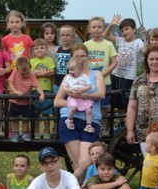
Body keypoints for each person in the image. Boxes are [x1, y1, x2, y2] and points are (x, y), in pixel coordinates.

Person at [54, 44, 107, 181]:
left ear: (87, 57)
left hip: (90, 120)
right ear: (72, 57)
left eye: (83, 56)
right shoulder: (68, 77)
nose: (81, 59)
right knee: (78, 164)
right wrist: (74, 104)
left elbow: (101, 94)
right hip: (69, 119)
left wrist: (84, 97)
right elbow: (57, 101)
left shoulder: (96, 74)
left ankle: (64, 188)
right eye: (77, 56)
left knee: (85, 164)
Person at [126, 44, 158, 154]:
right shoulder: (138, 81)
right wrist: (130, 130)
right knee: (150, 162)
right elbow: (132, 107)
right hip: (144, 131)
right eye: (151, 59)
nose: (154, 62)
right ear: (147, 61)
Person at [105, 15, 144, 111]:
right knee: (116, 101)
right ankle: (121, 119)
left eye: (127, 29)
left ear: (134, 29)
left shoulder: (138, 42)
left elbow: (146, 51)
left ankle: (128, 119)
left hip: (129, 77)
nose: (124, 32)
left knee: (127, 101)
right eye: (122, 31)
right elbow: (106, 35)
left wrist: (143, 37)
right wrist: (111, 25)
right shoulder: (121, 41)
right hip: (117, 74)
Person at [84, 16, 118, 112]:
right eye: (94, 27)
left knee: (104, 107)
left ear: (103, 29)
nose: (96, 29)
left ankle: (103, 122)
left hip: (104, 80)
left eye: (99, 27)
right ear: (89, 29)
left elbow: (115, 62)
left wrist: (103, 74)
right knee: (88, 106)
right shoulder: (86, 44)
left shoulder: (109, 44)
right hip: (88, 81)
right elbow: (82, 61)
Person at [7, 57, 45, 142]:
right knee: (14, 119)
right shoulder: (15, 73)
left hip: (26, 102)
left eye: (27, 73)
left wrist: (42, 94)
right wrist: (15, 91)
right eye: (22, 74)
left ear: (30, 68)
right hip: (15, 101)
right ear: (17, 69)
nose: (25, 76)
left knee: (26, 119)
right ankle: (15, 133)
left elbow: (37, 86)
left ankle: (25, 133)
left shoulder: (31, 75)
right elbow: (10, 82)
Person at [29, 38, 56, 139]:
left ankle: (47, 132)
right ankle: (36, 131)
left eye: (42, 47)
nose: (39, 50)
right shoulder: (32, 61)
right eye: (36, 48)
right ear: (33, 50)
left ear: (46, 49)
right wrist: (45, 73)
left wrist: (38, 73)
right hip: (35, 90)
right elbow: (31, 74)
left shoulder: (49, 60)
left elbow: (52, 72)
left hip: (47, 90)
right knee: (36, 113)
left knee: (46, 113)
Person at [62, 56, 94, 134]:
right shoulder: (68, 78)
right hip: (73, 97)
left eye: (72, 70)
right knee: (73, 108)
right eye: (69, 69)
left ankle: (89, 125)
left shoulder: (84, 77)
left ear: (80, 69)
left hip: (83, 97)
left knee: (89, 110)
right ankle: (69, 120)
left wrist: (83, 89)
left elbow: (89, 86)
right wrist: (68, 90)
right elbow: (64, 86)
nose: (70, 72)